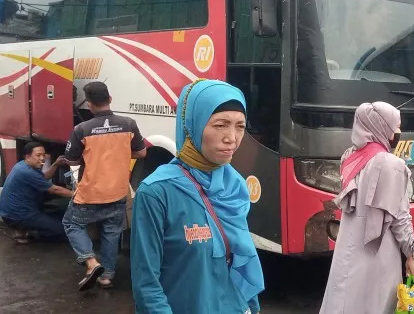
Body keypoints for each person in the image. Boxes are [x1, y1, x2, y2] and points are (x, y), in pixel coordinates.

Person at [131, 80, 264, 314]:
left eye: (240, 126)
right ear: (192, 125)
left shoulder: (235, 187)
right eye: (220, 125)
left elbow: (238, 265)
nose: (231, 138)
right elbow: (146, 285)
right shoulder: (156, 192)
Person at [320, 102, 414, 314]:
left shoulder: (349, 157)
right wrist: (411, 253)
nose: (398, 132)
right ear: (382, 127)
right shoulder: (391, 165)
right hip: (380, 251)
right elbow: (399, 217)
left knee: (345, 299)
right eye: (396, 126)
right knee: (376, 302)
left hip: (348, 246)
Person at [63, 81, 147, 290]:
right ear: (110, 99)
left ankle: (91, 262)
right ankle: (107, 276)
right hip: (118, 192)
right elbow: (141, 152)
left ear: (89, 104)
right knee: (111, 232)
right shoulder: (128, 124)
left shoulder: (81, 129)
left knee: (72, 224)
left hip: (90, 193)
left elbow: (71, 160)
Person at [0, 142, 72, 244]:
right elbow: (54, 189)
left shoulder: (23, 165)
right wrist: (78, 194)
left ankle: (24, 229)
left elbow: (44, 178)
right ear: (28, 156)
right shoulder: (27, 172)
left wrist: (56, 164)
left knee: (61, 215)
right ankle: (29, 233)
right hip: (18, 216)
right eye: (38, 155)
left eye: (43, 155)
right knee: (64, 231)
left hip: (14, 212)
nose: (42, 158)